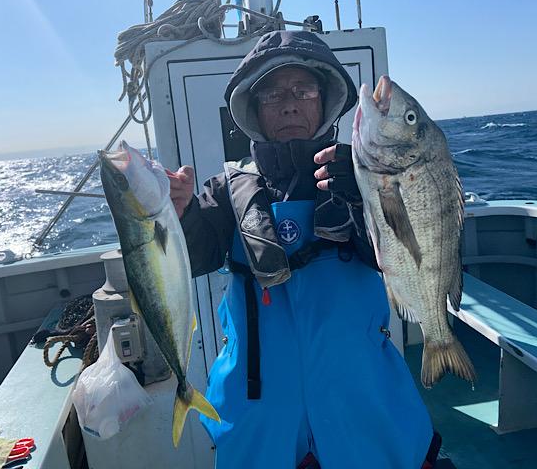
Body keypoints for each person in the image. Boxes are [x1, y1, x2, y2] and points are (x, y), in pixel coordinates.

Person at [167, 30, 435, 469]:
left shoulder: (366, 174)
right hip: (259, 416)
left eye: (303, 90)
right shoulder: (227, 190)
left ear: (324, 100)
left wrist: (365, 198)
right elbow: (195, 256)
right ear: (254, 110)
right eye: (272, 94)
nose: (289, 104)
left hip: (363, 406)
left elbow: (408, 253)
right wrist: (178, 215)